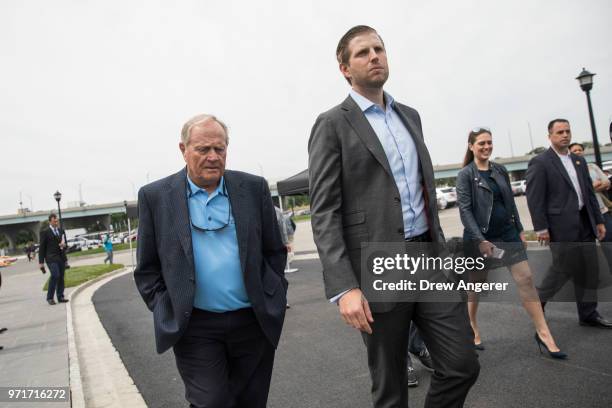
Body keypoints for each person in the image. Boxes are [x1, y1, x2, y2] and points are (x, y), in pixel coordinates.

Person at [308, 25, 479, 408]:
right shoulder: (333, 123)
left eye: (379, 49)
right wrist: (345, 287)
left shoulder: (410, 117)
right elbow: (324, 212)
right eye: (363, 53)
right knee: (391, 388)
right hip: (379, 264)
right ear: (344, 68)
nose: (375, 57)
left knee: (462, 365)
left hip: (429, 260)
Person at [134, 113, 288, 408]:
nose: (213, 157)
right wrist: (166, 305)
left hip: (252, 321)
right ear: (183, 149)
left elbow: (274, 250)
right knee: (211, 401)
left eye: (220, 149)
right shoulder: (156, 197)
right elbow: (147, 268)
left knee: (251, 402)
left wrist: (274, 290)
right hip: (196, 326)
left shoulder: (252, 189)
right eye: (203, 149)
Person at [456, 127, 566, 358]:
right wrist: (480, 239)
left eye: (489, 143)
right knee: (477, 284)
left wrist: (520, 231)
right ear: (471, 146)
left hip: (507, 234)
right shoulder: (466, 174)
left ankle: (543, 333)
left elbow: (511, 203)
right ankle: (472, 326)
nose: (486, 147)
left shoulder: (500, 170)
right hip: (481, 238)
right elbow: (465, 211)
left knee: (526, 279)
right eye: (481, 143)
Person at [526, 119, 612, 329]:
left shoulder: (579, 161)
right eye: (560, 132)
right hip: (560, 226)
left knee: (589, 270)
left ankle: (588, 314)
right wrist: (541, 228)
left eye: (567, 131)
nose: (565, 135)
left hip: (585, 222)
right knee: (562, 270)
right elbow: (535, 198)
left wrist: (598, 221)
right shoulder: (541, 162)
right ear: (550, 136)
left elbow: (589, 193)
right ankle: (537, 305)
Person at [568, 143, 612, 268]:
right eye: (574, 150)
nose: (578, 152)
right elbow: (575, 191)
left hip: (601, 211)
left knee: (609, 242)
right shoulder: (568, 172)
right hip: (583, 215)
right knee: (587, 249)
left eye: (580, 150)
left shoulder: (592, 167)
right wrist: (594, 186)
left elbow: (607, 183)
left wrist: (588, 189)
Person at [39, 214, 69, 305]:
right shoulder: (45, 232)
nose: (56, 222)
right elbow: (42, 248)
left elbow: (65, 244)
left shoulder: (61, 231)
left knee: (61, 277)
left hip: (61, 257)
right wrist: (41, 262)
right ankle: (50, 297)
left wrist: (64, 245)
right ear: (50, 222)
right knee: (55, 275)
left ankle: (60, 296)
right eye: (54, 221)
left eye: (57, 221)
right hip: (50, 258)